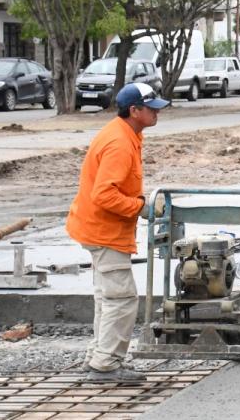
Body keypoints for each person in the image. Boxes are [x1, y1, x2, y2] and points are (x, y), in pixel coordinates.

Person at [66, 83, 170, 382]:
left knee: (107, 298)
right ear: (134, 110)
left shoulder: (126, 134)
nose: (157, 112)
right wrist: (142, 207)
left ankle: (98, 357)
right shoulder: (119, 143)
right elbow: (104, 195)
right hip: (104, 231)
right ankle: (106, 365)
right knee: (121, 299)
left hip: (98, 228)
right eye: (151, 108)